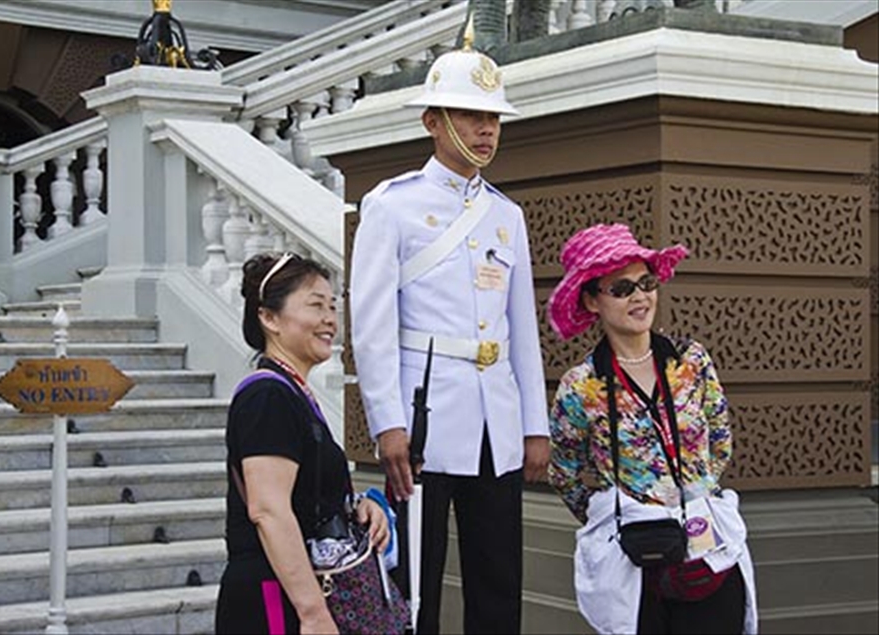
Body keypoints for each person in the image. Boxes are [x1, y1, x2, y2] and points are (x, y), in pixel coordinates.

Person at [349, 25, 550, 635]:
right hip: (423, 420)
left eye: (493, 118)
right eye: (471, 115)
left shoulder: (506, 214)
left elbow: (521, 330)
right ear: (433, 122)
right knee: (418, 587)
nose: (487, 129)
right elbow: (373, 324)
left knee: (498, 585)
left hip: (495, 419)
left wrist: (534, 425)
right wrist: (386, 422)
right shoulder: (392, 205)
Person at [546, 223, 758, 634]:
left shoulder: (692, 360)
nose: (640, 296)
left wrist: (695, 492)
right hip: (635, 561)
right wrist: (616, 514)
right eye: (622, 288)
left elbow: (720, 438)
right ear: (591, 301)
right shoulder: (580, 386)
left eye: (646, 283)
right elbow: (564, 473)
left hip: (707, 550)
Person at [216, 252, 391, 635]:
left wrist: (355, 506)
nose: (330, 319)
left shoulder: (292, 392)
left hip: (294, 591)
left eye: (332, 306)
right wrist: (313, 614)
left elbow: (304, 495)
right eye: (315, 305)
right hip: (274, 600)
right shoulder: (268, 396)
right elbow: (269, 510)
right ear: (269, 318)